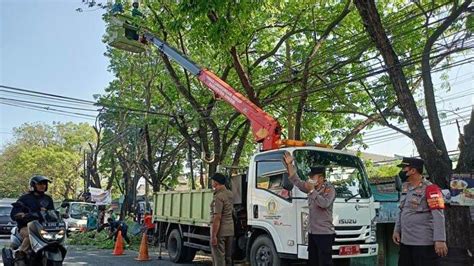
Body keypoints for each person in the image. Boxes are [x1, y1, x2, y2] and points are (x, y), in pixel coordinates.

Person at [282, 152, 336, 266]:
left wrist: (312, 191)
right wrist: (290, 164)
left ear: (321, 177)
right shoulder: (311, 187)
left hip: (325, 234)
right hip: (313, 233)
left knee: (325, 262)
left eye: (313, 177)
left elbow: (324, 203)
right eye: (310, 176)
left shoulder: (329, 189)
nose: (310, 178)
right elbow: (296, 180)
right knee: (313, 262)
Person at [392, 157, 447, 266]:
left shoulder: (431, 189)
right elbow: (402, 211)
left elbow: (438, 216)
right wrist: (396, 229)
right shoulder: (405, 188)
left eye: (404, 169)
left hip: (424, 244)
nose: (401, 172)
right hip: (406, 242)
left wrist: (440, 240)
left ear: (413, 171)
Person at [10, 175, 55, 263]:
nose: (43, 186)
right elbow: (14, 213)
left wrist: (59, 214)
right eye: (40, 184)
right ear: (33, 185)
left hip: (45, 227)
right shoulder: (25, 198)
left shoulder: (48, 199)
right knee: (30, 234)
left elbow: (52, 212)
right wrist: (20, 215)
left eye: (45, 184)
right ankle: (21, 253)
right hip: (26, 226)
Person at [209, 173, 234, 266]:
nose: (212, 182)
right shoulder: (230, 194)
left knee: (219, 259)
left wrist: (213, 236)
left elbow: (217, 217)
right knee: (228, 258)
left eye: (212, 180)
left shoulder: (219, 196)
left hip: (220, 231)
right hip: (230, 230)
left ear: (216, 182)